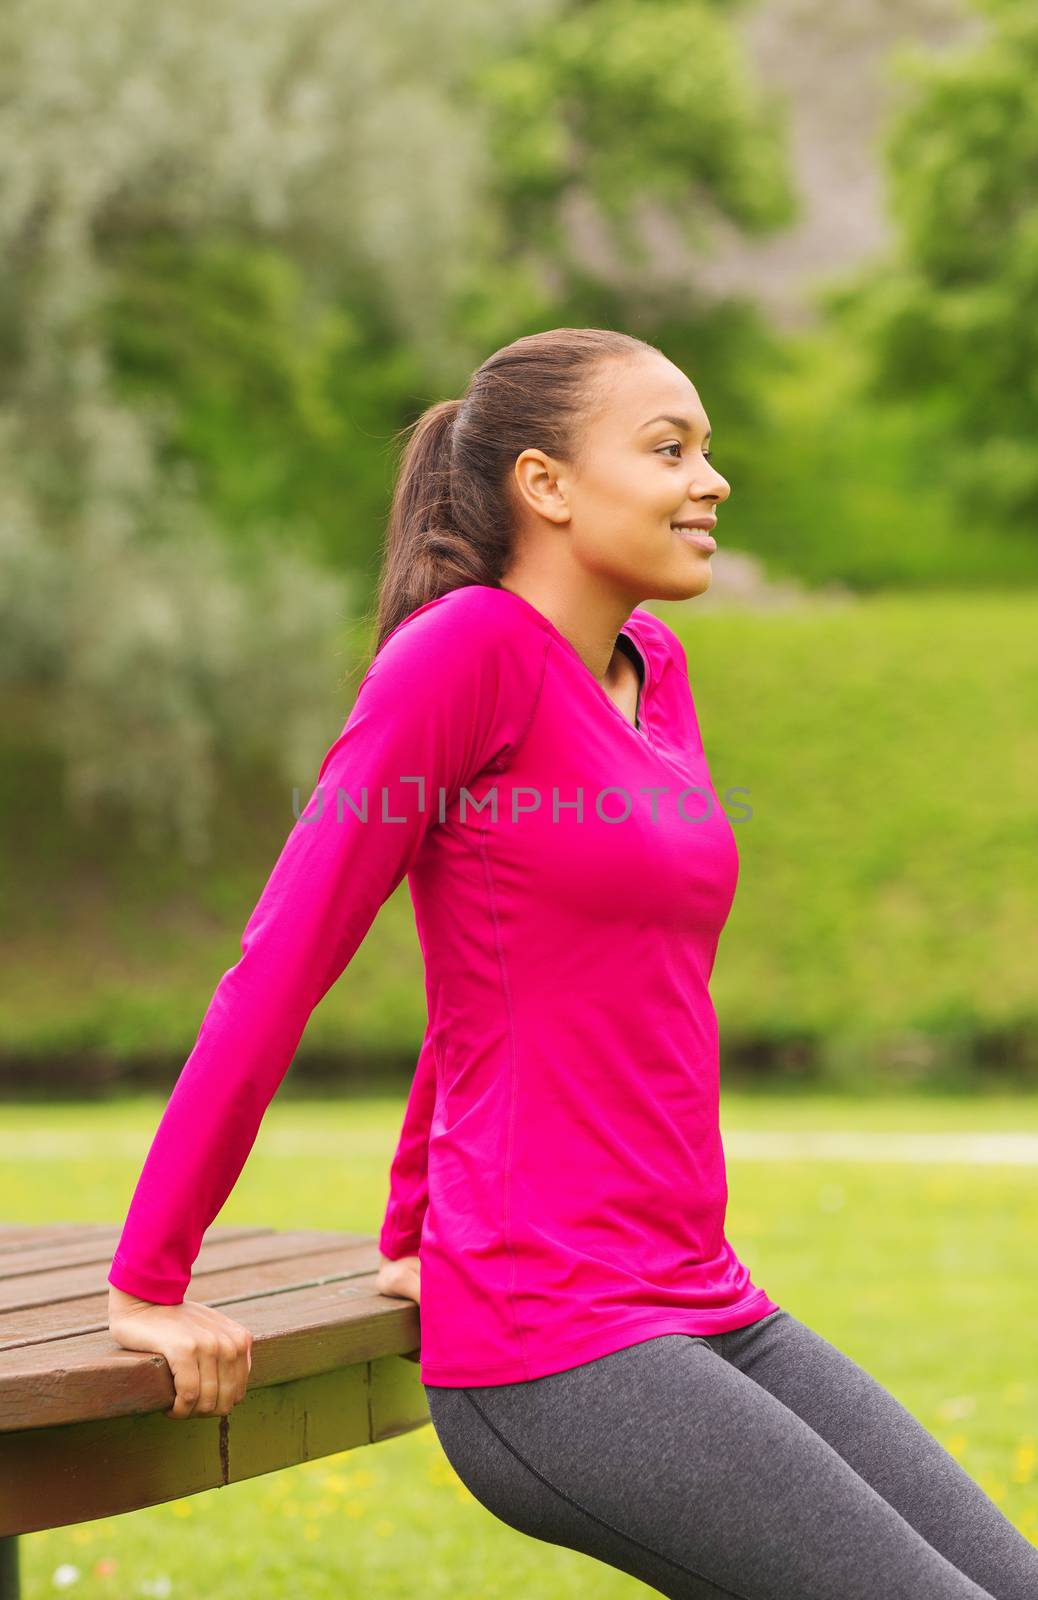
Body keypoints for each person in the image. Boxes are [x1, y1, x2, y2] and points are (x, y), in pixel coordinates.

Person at [107, 328, 1038, 1599]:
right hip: (557, 1345)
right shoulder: (461, 654)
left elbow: (507, 967)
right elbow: (281, 963)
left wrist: (407, 1218)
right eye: (671, 449)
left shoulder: (654, 669)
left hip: (707, 1301)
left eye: (708, 448)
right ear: (545, 484)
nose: (712, 480)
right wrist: (151, 1278)